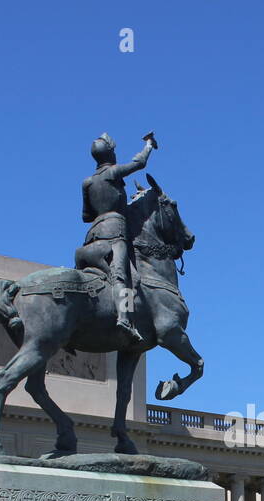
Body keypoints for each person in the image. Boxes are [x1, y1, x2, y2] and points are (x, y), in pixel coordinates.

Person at [78, 130, 157, 345]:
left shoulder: (87, 183)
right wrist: (149, 145)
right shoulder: (113, 173)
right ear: (111, 153)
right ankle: (125, 320)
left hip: (90, 240)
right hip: (114, 235)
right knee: (124, 277)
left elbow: (86, 216)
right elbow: (139, 163)